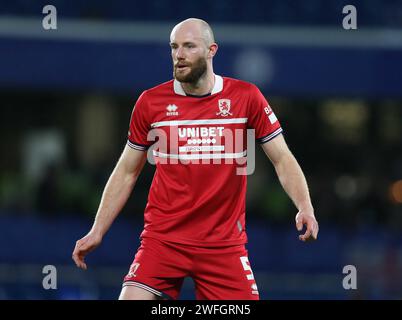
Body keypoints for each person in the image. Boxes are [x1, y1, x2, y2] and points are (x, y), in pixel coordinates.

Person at [72, 18, 319, 300]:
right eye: (174, 47)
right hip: (163, 240)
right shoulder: (151, 103)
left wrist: (305, 206)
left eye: (189, 46)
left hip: (223, 246)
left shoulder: (246, 97)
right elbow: (127, 171)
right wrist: (97, 230)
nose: (179, 55)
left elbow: (282, 159)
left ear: (211, 50)